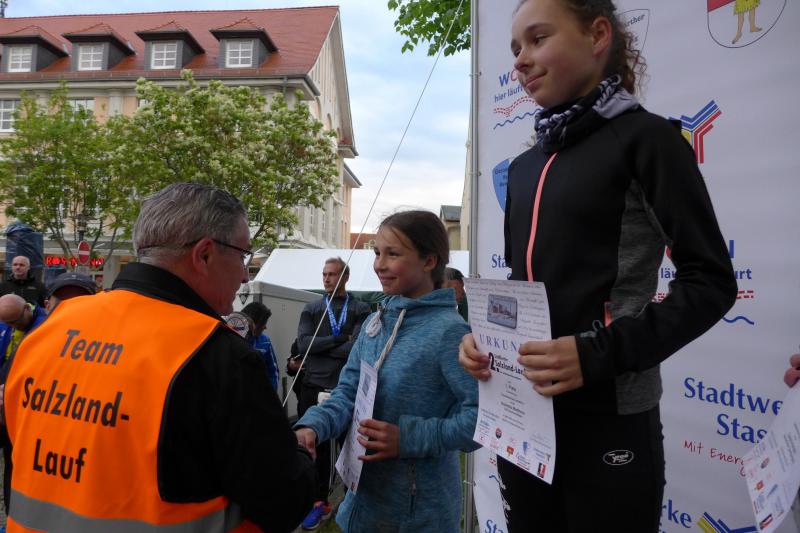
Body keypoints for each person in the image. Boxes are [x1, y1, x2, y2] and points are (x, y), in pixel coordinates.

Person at [459, 1, 737, 531]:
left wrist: (598, 353)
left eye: (538, 38)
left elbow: (711, 282)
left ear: (597, 35)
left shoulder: (648, 140)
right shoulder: (523, 167)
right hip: (525, 417)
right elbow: (522, 288)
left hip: (612, 416)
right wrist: (487, 341)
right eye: (515, 47)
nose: (520, 59)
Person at [3, 183, 315, 532]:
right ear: (204, 255)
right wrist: (300, 454)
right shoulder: (218, 355)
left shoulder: (51, 329)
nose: (245, 274)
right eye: (243, 255)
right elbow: (283, 499)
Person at [295, 210, 479, 532]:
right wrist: (312, 427)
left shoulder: (450, 332)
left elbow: (481, 422)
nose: (379, 264)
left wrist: (408, 438)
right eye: (377, 253)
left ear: (429, 261)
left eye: (392, 254)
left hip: (420, 517)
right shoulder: (374, 322)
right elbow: (348, 392)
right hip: (362, 507)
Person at [295, 256, 370, 530]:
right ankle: (318, 502)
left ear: (345, 277)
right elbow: (304, 345)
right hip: (313, 385)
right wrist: (340, 339)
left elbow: (358, 348)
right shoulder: (311, 308)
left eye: (332, 274)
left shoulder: (361, 308)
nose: (326, 279)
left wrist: (323, 346)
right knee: (314, 448)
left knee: (351, 446)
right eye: (324, 274)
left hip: (346, 389)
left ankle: (353, 498)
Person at [241, 301, 280, 390]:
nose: (265, 327)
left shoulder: (265, 341)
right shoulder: (232, 338)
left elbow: (273, 372)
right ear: (253, 323)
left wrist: (270, 394)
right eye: (264, 323)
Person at [0, 295, 47, 368]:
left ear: (27, 308)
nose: (13, 326)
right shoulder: (7, 318)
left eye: (15, 321)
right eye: (6, 323)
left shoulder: (46, 323)